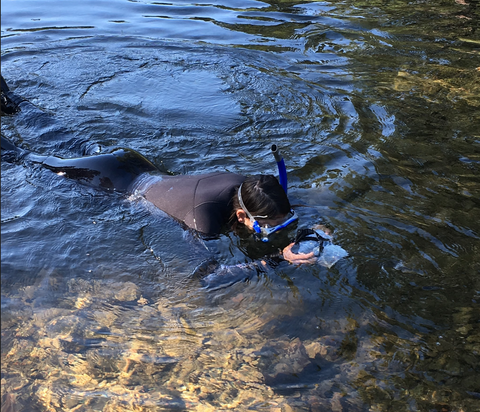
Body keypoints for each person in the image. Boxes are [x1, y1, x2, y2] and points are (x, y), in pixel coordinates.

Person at [1, 75, 316, 264]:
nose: (278, 232)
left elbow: (283, 208)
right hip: (112, 182)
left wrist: (313, 234)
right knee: (22, 156)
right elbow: (207, 277)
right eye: (271, 229)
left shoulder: (249, 187)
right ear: (241, 216)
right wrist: (277, 260)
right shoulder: (204, 222)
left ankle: (9, 100)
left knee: (61, 137)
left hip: (130, 161)